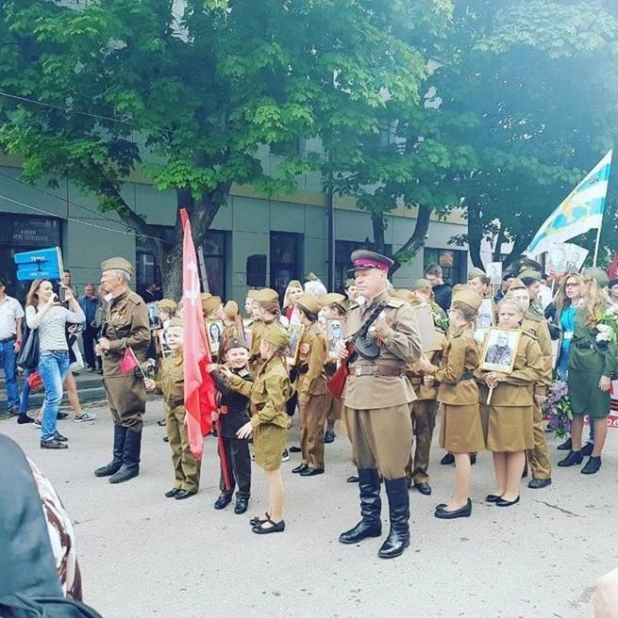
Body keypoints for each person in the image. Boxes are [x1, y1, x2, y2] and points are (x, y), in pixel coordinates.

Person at [335, 250, 422, 560]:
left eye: (364, 275)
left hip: (387, 393)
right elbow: (356, 350)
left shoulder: (401, 309)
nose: (358, 280)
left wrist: (385, 331)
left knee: (392, 463)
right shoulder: (355, 311)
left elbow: (413, 352)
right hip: (356, 392)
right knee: (363, 461)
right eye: (356, 276)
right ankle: (370, 521)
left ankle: (400, 529)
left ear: (383, 275)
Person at [419, 288, 483, 518]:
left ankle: (461, 501)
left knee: (460, 451)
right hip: (461, 395)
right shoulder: (463, 337)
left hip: (460, 397)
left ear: (456, 313)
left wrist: (430, 369)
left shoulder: (459, 341)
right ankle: (459, 498)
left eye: (452, 310)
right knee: (459, 449)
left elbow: (452, 375)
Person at [222, 324, 291, 534]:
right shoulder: (269, 367)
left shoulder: (275, 373)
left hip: (270, 427)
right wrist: (232, 378)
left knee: (273, 476)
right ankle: (270, 514)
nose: (258, 347)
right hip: (265, 425)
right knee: (270, 474)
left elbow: (274, 406)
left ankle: (277, 519)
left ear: (270, 347)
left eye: (262, 343)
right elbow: (254, 391)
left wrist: (252, 422)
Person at [478, 298, 544, 506]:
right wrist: (485, 376)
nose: (506, 318)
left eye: (511, 315)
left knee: (514, 446)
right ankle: (500, 486)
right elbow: (479, 366)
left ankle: (512, 491)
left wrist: (506, 376)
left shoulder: (528, 341)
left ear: (520, 317)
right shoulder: (490, 337)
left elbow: (536, 371)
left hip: (516, 401)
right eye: (503, 314)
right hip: (494, 399)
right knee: (497, 446)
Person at [94, 257, 150, 484]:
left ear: (119, 278)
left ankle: (130, 464)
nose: (102, 281)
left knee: (130, 415)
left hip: (126, 366)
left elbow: (143, 337)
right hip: (111, 366)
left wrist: (113, 345)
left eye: (105, 277)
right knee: (118, 415)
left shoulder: (135, 303)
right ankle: (118, 460)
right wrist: (103, 344)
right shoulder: (112, 302)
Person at [558, 272, 617, 475]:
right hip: (576, 364)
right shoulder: (579, 308)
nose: (575, 286)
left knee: (598, 413)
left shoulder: (607, 311)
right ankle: (575, 451)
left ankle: (595, 456)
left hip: (596, 367)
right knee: (576, 410)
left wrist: (607, 374)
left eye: (580, 283)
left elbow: (612, 346)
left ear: (591, 284)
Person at [25, 279, 85, 449]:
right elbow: (32, 323)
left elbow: (80, 318)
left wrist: (71, 299)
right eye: (46, 289)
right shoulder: (33, 308)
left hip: (63, 355)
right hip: (47, 356)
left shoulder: (60, 309)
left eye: (51, 288)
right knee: (55, 395)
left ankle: (50, 429)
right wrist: (48, 305)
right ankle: (47, 437)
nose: (50, 291)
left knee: (53, 395)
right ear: (37, 291)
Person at [144, 318, 201, 499]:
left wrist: (192, 412)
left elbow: (197, 388)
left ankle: (190, 483)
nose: (172, 339)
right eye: (169, 335)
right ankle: (179, 480)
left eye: (177, 335)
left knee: (187, 446)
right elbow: (165, 384)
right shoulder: (167, 361)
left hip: (185, 408)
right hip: (169, 407)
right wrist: (155, 384)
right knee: (175, 445)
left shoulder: (191, 361)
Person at [400, 289, 446, 497]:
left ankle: (421, 474)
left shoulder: (437, 337)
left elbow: (442, 365)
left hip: (426, 391)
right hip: (402, 389)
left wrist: (434, 377)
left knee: (424, 434)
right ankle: (404, 473)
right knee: (402, 435)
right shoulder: (397, 337)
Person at [507, 279, 553, 489]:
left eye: (526, 297)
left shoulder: (537, 322)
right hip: (509, 385)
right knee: (514, 428)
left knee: (534, 429)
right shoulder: (504, 322)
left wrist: (542, 386)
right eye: (518, 298)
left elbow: (545, 356)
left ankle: (542, 471)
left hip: (531, 384)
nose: (523, 302)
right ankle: (520, 466)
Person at [209, 337, 253, 514]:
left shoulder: (246, 376)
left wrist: (213, 373)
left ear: (248, 356)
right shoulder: (226, 371)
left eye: (242, 353)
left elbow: (229, 392)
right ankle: (226, 489)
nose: (239, 357)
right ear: (227, 356)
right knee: (224, 459)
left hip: (238, 422)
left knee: (240, 461)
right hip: (223, 421)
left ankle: (243, 494)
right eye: (234, 354)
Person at [292, 293, 330, 477]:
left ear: (302, 312)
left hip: (314, 385)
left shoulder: (316, 335)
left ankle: (316, 463)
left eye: (298, 310)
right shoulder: (305, 330)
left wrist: (305, 389)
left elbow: (315, 367)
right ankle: (305, 459)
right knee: (304, 426)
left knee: (314, 426)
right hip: (303, 381)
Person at [319, 292, 347, 443]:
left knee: (335, 401)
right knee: (325, 401)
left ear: (335, 310)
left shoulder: (343, 326)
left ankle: (330, 429)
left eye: (325, 310)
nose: (322, 313)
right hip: (324, 368)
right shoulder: (323, 326)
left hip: (337, 368)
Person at [0, 276, 24, 417]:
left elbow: (19, 324)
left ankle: (14, 404)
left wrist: (19, 341)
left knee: (10, 375)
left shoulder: (13, 303)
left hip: (9, 342)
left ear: (3, 287)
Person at [78, 284, 99, 373]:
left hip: (97, 326)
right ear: (84, 291)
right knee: (87, 347)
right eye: (88, 290)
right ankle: (91, 365)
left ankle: (101, 366)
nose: (90, 292)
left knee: (99, 346)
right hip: (86, 326)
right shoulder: (81, 300)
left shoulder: (98, 300)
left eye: (91, 290)